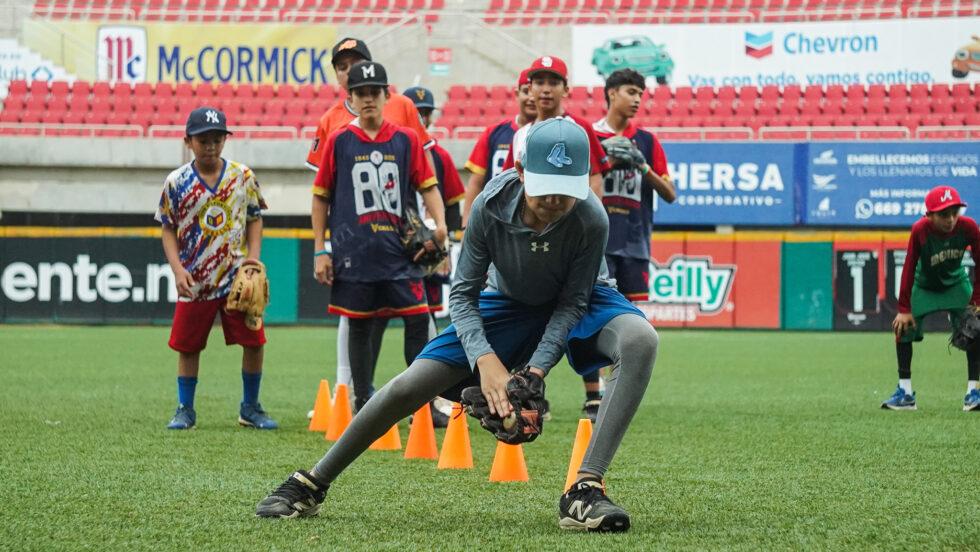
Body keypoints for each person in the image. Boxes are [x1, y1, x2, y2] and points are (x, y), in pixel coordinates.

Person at [257, 118, 659, 534]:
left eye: (567, 190)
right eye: (545, 188)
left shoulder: (592, 218)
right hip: (507, 302)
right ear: (520, 172)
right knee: (410, 384)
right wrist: (486, 362)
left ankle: (585, 489)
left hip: (586, 299)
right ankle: (310, 483)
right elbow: (463, 296)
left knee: (640, 339)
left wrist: (534, 373)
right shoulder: (489, 205)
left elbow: (572, 303)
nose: (556, 200)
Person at [305, 37, 438, 406]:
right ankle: (351, 395)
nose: (365, 95)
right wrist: (322, 248)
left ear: (384, 92)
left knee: (418, 317)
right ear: (340, 78)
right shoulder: (334, 128)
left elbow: (427, 177)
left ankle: (423, 399)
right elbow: (321, 192)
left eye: (372, 89)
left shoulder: (406, 118)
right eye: (344, 66)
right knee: (357, 321)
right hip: (354, 246)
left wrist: (435, 227)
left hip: (400, 246)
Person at [502, 55, 613, 421]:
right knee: (529, 312)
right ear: (528, 88)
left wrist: (586, 222)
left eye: (554, 82)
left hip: (574, 232)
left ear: (566, 88)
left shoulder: (578, 130)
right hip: (532, 237)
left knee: (582, 310)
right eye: (539, 81)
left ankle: (593, 394)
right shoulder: (521, 135)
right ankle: (533, 392)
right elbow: (509, 187)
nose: (546, 88)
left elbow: (594, 178)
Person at [157, 107, 277, 430]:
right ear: (188, 141)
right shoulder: (177, 181)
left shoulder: (242, 176)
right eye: (203, 140)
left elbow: (255, 217)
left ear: (225, 139)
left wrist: (253, 259)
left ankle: (250, 407)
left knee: (254, 340)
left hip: (236, 276)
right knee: (188, 344)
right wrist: (177, 269)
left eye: (217, 138)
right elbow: (167, 227)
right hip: (195, 278)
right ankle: (185, 408)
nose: (210, 145)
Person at [884, 185, 980, 412]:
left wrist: (977, 299)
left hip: (956, 283)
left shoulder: (968, 227)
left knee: (976, 327)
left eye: (954, 212)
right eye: (943, 214)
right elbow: (908, 266)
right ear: (929, 215)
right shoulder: (920, 230)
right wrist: (904, 308)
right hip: (924, 286)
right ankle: (905, 393)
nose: (950, 219)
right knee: (902, 327)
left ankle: (973, 392)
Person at [403, 84, 467, 427]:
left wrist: (447, 242)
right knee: (366, 322)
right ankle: (357, 396)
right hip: (393, 250)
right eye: (417, 113)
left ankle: (424, 402)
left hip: (428, 248)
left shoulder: (438, 156)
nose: (423, 119)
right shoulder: (394, 148)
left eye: (426, 114)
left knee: (425, 320)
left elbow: (454, 203)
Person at [593, 68, 676, 302]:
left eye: (640, 93)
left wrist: (642, 166)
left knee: (633, 316)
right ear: (612, 93)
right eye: (631, 92)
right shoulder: (590, 136)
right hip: (599, 241)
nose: (637, 99)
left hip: (635, 241)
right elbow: (579, 185)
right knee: (597, 309)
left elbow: (670, 194)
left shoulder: (647, 141)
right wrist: (609, 161)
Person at [461, 68, 536, 227]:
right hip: (494, 219)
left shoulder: (551, 135)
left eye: (533, 91)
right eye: (525, 91)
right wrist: (467, 223)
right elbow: (476, 183)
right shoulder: (493, 133)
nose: (531, 98)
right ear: (516, 94)